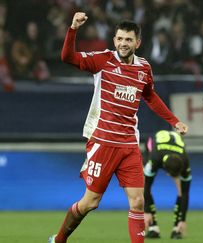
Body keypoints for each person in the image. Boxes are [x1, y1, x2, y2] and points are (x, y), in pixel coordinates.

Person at [48, 12, 188, 243]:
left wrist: (174, 120)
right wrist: (73, 28)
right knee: (90, 203)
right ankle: (60, 239)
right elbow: (67, 57)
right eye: (120, 39)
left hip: (129, 144)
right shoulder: (102, 60)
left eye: (129, 40)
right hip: (103, 141)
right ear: (114, 40)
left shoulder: (144, 68)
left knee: (138, 201)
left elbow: (150, 96)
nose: (123, 43)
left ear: (137, 43)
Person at [142, 130, 191, 239]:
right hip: (151, 147)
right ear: (167, 172)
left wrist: (183, 220)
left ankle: (176, 229)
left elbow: (185, 193)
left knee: (180, 190)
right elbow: (145, 187)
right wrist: (146, 211)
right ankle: (153, 228)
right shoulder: (154, 159)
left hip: (174, 151)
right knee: (145, 185)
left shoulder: (185, 161)